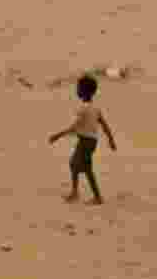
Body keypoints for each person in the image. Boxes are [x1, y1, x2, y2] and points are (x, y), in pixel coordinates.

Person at [49, 74, 116, 204]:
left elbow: (74, 127)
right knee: (78, 165)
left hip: (85, 142)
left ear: (83, 92)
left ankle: (89, 196)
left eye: (78, 88)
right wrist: (111, 140)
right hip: (91, 142)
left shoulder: (83, 109)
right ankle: (80, 193)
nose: (76, 90)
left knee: (78, 166)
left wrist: (58, 136)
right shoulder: (96, 108)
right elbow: (104, 125)